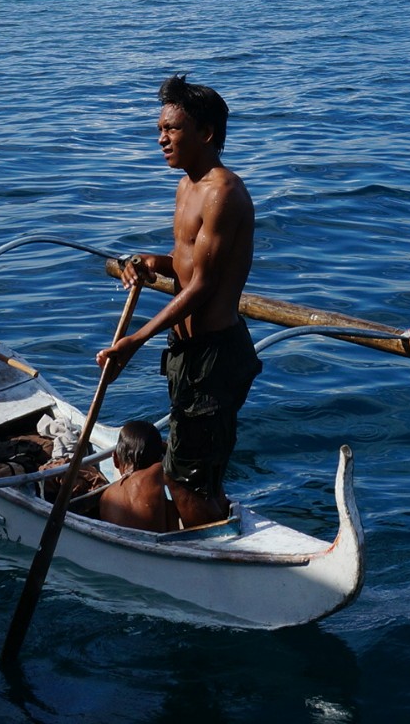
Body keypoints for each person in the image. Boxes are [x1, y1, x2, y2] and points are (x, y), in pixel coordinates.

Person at [97, 75, 259, 528]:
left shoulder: (223, 192)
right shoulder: (187, 186)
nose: (161, 139)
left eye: (171, 129)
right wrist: (153, 262)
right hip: (186, 354)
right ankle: (210, 523)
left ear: (205, 134)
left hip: (214, 355)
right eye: (159, 130)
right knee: (195, 467)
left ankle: (213, 557)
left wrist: (135, 340)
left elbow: (205, 285)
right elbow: (187, 264)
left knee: (187, 479)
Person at [95, 420, 174, 532]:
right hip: (154, 545)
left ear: (115, 459)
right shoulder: (156, 473)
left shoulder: (106, 496)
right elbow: (173, 461)